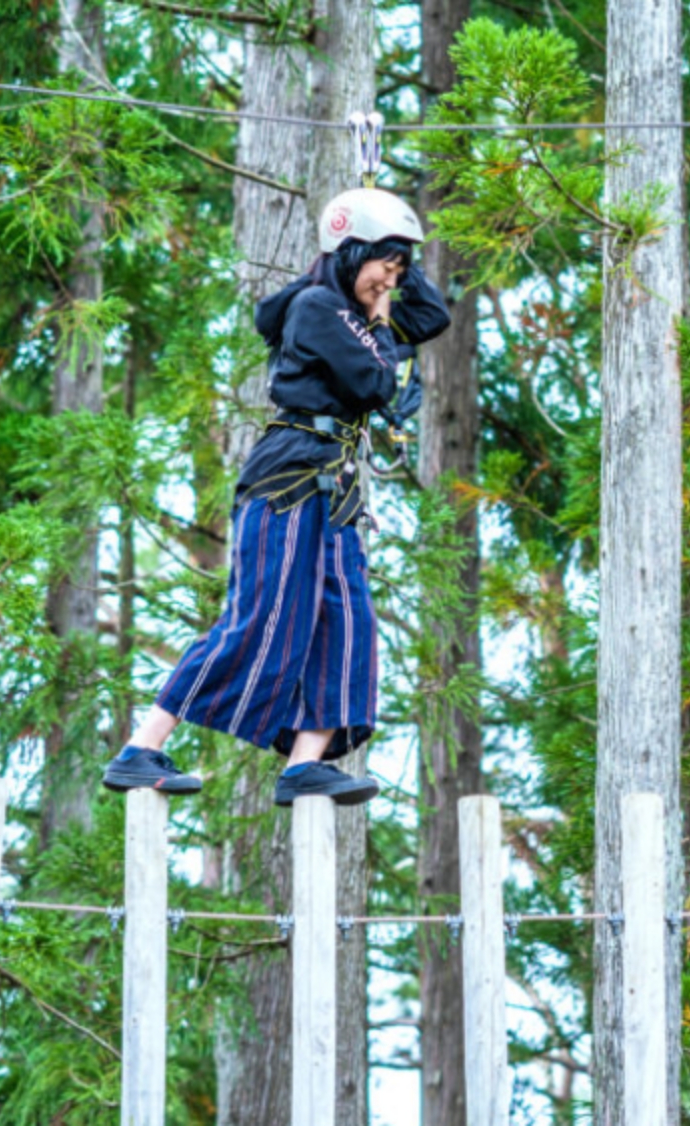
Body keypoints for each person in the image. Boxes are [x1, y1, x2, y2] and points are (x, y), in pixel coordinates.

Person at [101, 188, 450, 806]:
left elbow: (430, 319)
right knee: (262, 616)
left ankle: (304, 764)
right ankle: (140, 749)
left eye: (398, 274)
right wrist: (370, 300)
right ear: (351, 255)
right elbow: (375, 381)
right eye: (384, 269)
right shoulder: (318, 307)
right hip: (290, 478)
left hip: (335, 485)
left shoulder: (359, 309)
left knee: (347, 624)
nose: (391, 285)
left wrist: (397, 253)